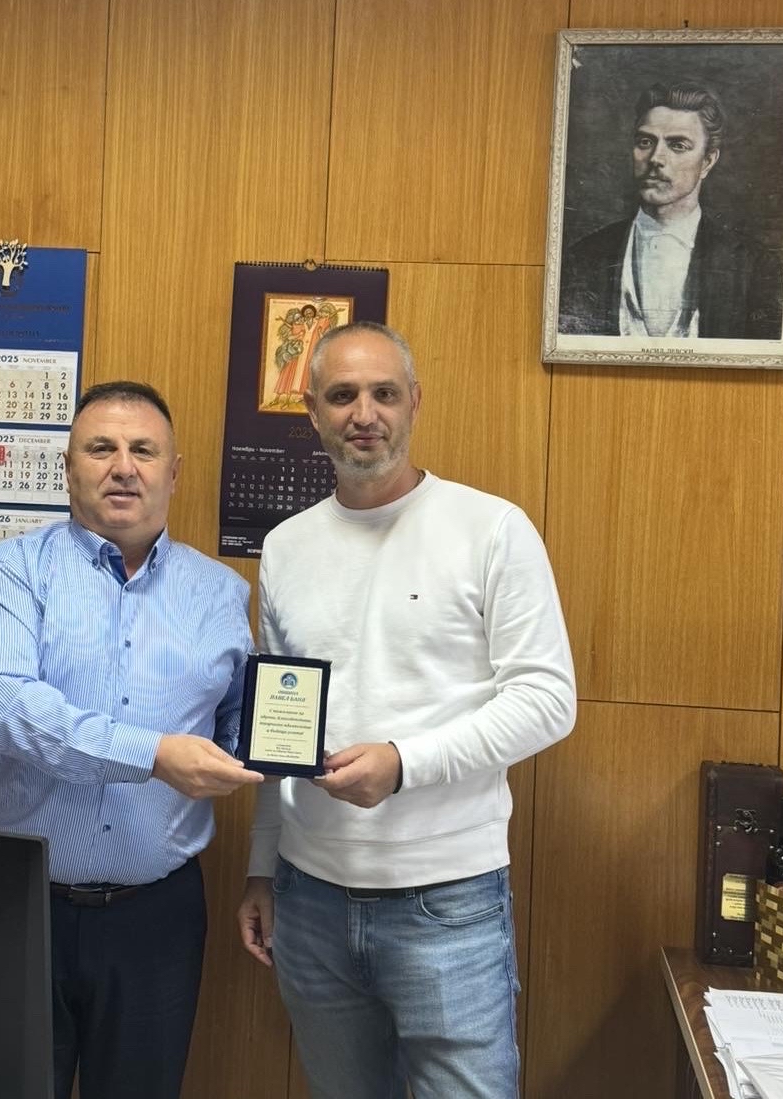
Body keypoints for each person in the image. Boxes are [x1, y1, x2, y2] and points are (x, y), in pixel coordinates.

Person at [236, 323, 577, 1099]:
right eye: (342, 395)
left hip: (447, 903)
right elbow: (281, 726)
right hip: (309, 899)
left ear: (414, 402)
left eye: (384, 393)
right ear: (312, 412)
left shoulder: (491, 529)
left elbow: (548, 699)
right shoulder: (285, 546)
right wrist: (262, 866)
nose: (365, 413)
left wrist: (404, 764)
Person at [0, 380, 263, 1099]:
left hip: (156, 917)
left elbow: (234, 723)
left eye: (143, 450)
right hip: (14, 907)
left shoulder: (220, 593)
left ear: (173, 472)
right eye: (101, 448)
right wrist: (151, 754)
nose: (124, 467)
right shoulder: (11, 571)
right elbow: (1, 706)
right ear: (68, 468)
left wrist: (286, 745)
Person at [559, 82, 783, 339]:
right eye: (645, 142)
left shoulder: (754, 265)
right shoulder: (583, 257)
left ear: (707, 161)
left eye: (677, 145)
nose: (656, 158)